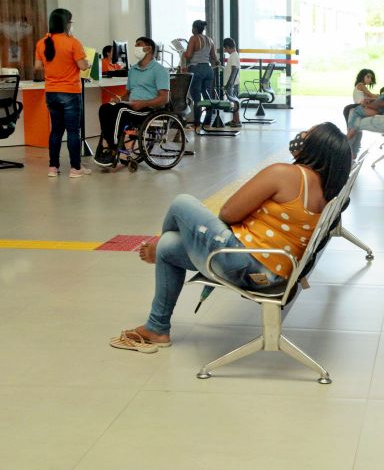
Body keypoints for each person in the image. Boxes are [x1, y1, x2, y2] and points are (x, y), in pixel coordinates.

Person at [109, 122, 353, 353]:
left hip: (247, 263)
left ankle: (155, 249)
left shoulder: (286, 174)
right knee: (169, 247)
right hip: (275, 271)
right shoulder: (325, 188)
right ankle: (156, 328)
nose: (300, 138)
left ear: (316, 148)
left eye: (306, 136)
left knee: (181, 203)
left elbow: (228, 213)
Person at [93, 37, 170, 167]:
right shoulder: (133, 70)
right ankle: (107, 145)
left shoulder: (159, 70)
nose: (136, 48)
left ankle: (113, 149)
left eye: (138, 45)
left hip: (147, 109)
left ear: (149, 49)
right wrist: (119, 99)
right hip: (131, 106)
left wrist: (143, 103)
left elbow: (164, 98)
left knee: (120, 111)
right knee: (105, 108)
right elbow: (128, 94)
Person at [33, 8, 91, 178]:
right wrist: (86, 63)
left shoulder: (42, 42)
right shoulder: (73, 42)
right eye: (70, 22)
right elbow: (82, 66)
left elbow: (37, 67)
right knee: (73, 131)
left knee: (56, 131)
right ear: (66, 24)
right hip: (70, 92)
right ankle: (75, 168)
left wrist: (53, 68)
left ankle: (53, 167)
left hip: (51, 92)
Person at [183, 19, 218, 128]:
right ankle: (207, 122)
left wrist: (183, 52)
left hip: (196, 69)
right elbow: (214, 58)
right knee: (207, 95)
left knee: (196, 97)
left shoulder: (194, 38)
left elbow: (188, 55)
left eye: (192, 27)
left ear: (195, 28)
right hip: (208, 69)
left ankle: (196, 123)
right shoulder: (209, 40)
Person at [222, 37, 242, 128]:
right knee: (234, 101)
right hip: (233, 84)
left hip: (232, 84)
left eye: (225, 48)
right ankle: (235, 120)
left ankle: (237, 121)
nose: (225, 50)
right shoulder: (234, 55)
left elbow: (234, 70)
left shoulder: (233, 56)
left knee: (234, 102)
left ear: (228, 47)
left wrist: (229, 84)